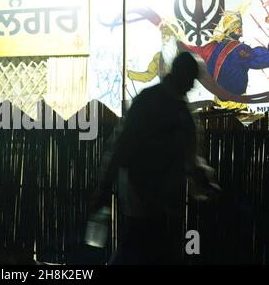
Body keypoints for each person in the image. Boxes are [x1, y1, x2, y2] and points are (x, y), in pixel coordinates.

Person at [90, 52, 221, 265]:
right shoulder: (155, 104)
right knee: (141, 248)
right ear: (181, 75)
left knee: (142, 249)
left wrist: (204, 183)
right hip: (142, 195)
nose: (191, 87)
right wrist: (104, 188)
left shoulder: (176, 111)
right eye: (190, 80)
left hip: (159, 200)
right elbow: (123, 146)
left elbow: (190, 159)